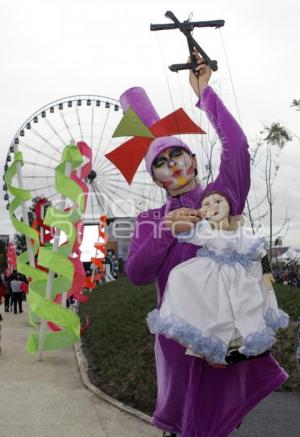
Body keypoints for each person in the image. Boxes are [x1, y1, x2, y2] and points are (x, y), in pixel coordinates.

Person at [110, 51, 288, 437]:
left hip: (227, 337)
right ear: (156, 179)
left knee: (219, 423)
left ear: (193, 160)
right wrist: (167, 232)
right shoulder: (150, 221)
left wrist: (205, 93)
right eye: (162, 162)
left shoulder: (220, 199)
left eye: (179, 155)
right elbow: (136, 273)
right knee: (182, 424)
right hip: (178, 345)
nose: (173, 164)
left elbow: (236, 145)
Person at [147, 191, 289, 366]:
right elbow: (180, 228)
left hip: (241, 278)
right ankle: (217, 348)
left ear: (228, 206)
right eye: (206, 204)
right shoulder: (207, 230)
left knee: (246, 309)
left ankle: (245, 346)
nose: (213, 206)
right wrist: (182, 217)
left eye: (218, 201)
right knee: (190, 285)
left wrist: (267, 273)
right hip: (215, 276)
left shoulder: (242, 233)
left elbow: (260, 251)